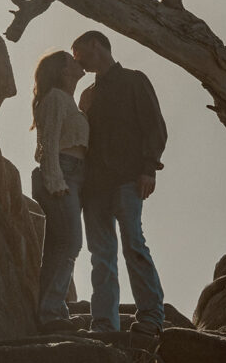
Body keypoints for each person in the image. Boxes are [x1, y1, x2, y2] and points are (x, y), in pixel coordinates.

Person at [72, 31, 167, 336]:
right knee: (101, 255)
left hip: (128, 178)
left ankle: (151, 318)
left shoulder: (134, 80)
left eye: (80, 53)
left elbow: (155, 127)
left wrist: (149, 168)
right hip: (94, 186)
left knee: (133, 245)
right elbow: (81, 138)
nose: (78, 62)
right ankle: (103, 324)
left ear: (95, 45)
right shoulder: (88, 94)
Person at [31, 50, 89, 333]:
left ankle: (52, 311)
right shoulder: (55, 97)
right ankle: (52, 312)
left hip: (72, 175)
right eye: (72, 59)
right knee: (70, 243)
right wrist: (55, 181)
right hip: (60, 173)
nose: (79, 62)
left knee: (56, 246)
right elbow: (49, 143)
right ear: (64, 69)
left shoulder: (68, 101)